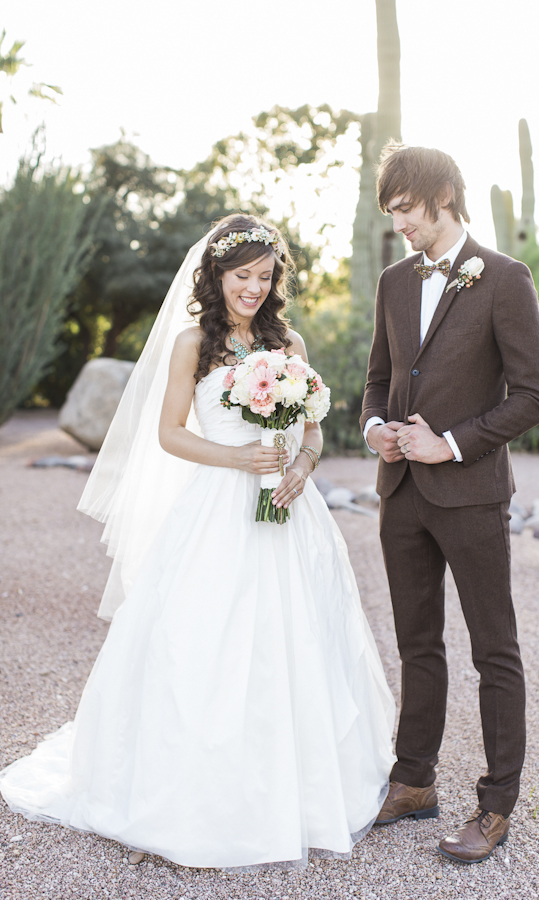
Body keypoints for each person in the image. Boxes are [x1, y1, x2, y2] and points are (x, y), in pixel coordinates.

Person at [0, 214, 395, 870]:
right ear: (216, 274)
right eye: (242, 276)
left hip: (290, 511)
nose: (253, 288)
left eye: (265, 277)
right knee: (205, 639)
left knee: (294, 639)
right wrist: (236, 460)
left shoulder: (288, 343)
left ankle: (300, 781)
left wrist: (300, 466)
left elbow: (314, 428)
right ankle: (199, 791)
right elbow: (168, 434)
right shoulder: (192, 344)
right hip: (216, 504)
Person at [360, 144, 539, 864]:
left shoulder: (505, 278)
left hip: (469, 494)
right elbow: (378, 382)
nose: (400, 225)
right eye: (392, 214)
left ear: (441, 196)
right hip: (400, 494)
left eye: (405, 210)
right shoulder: (391, 281)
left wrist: (452, 443)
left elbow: (533, 397)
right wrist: (376, 429)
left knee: (494, 651)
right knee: (416, 645)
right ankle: (413, 782)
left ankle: (496, 805)